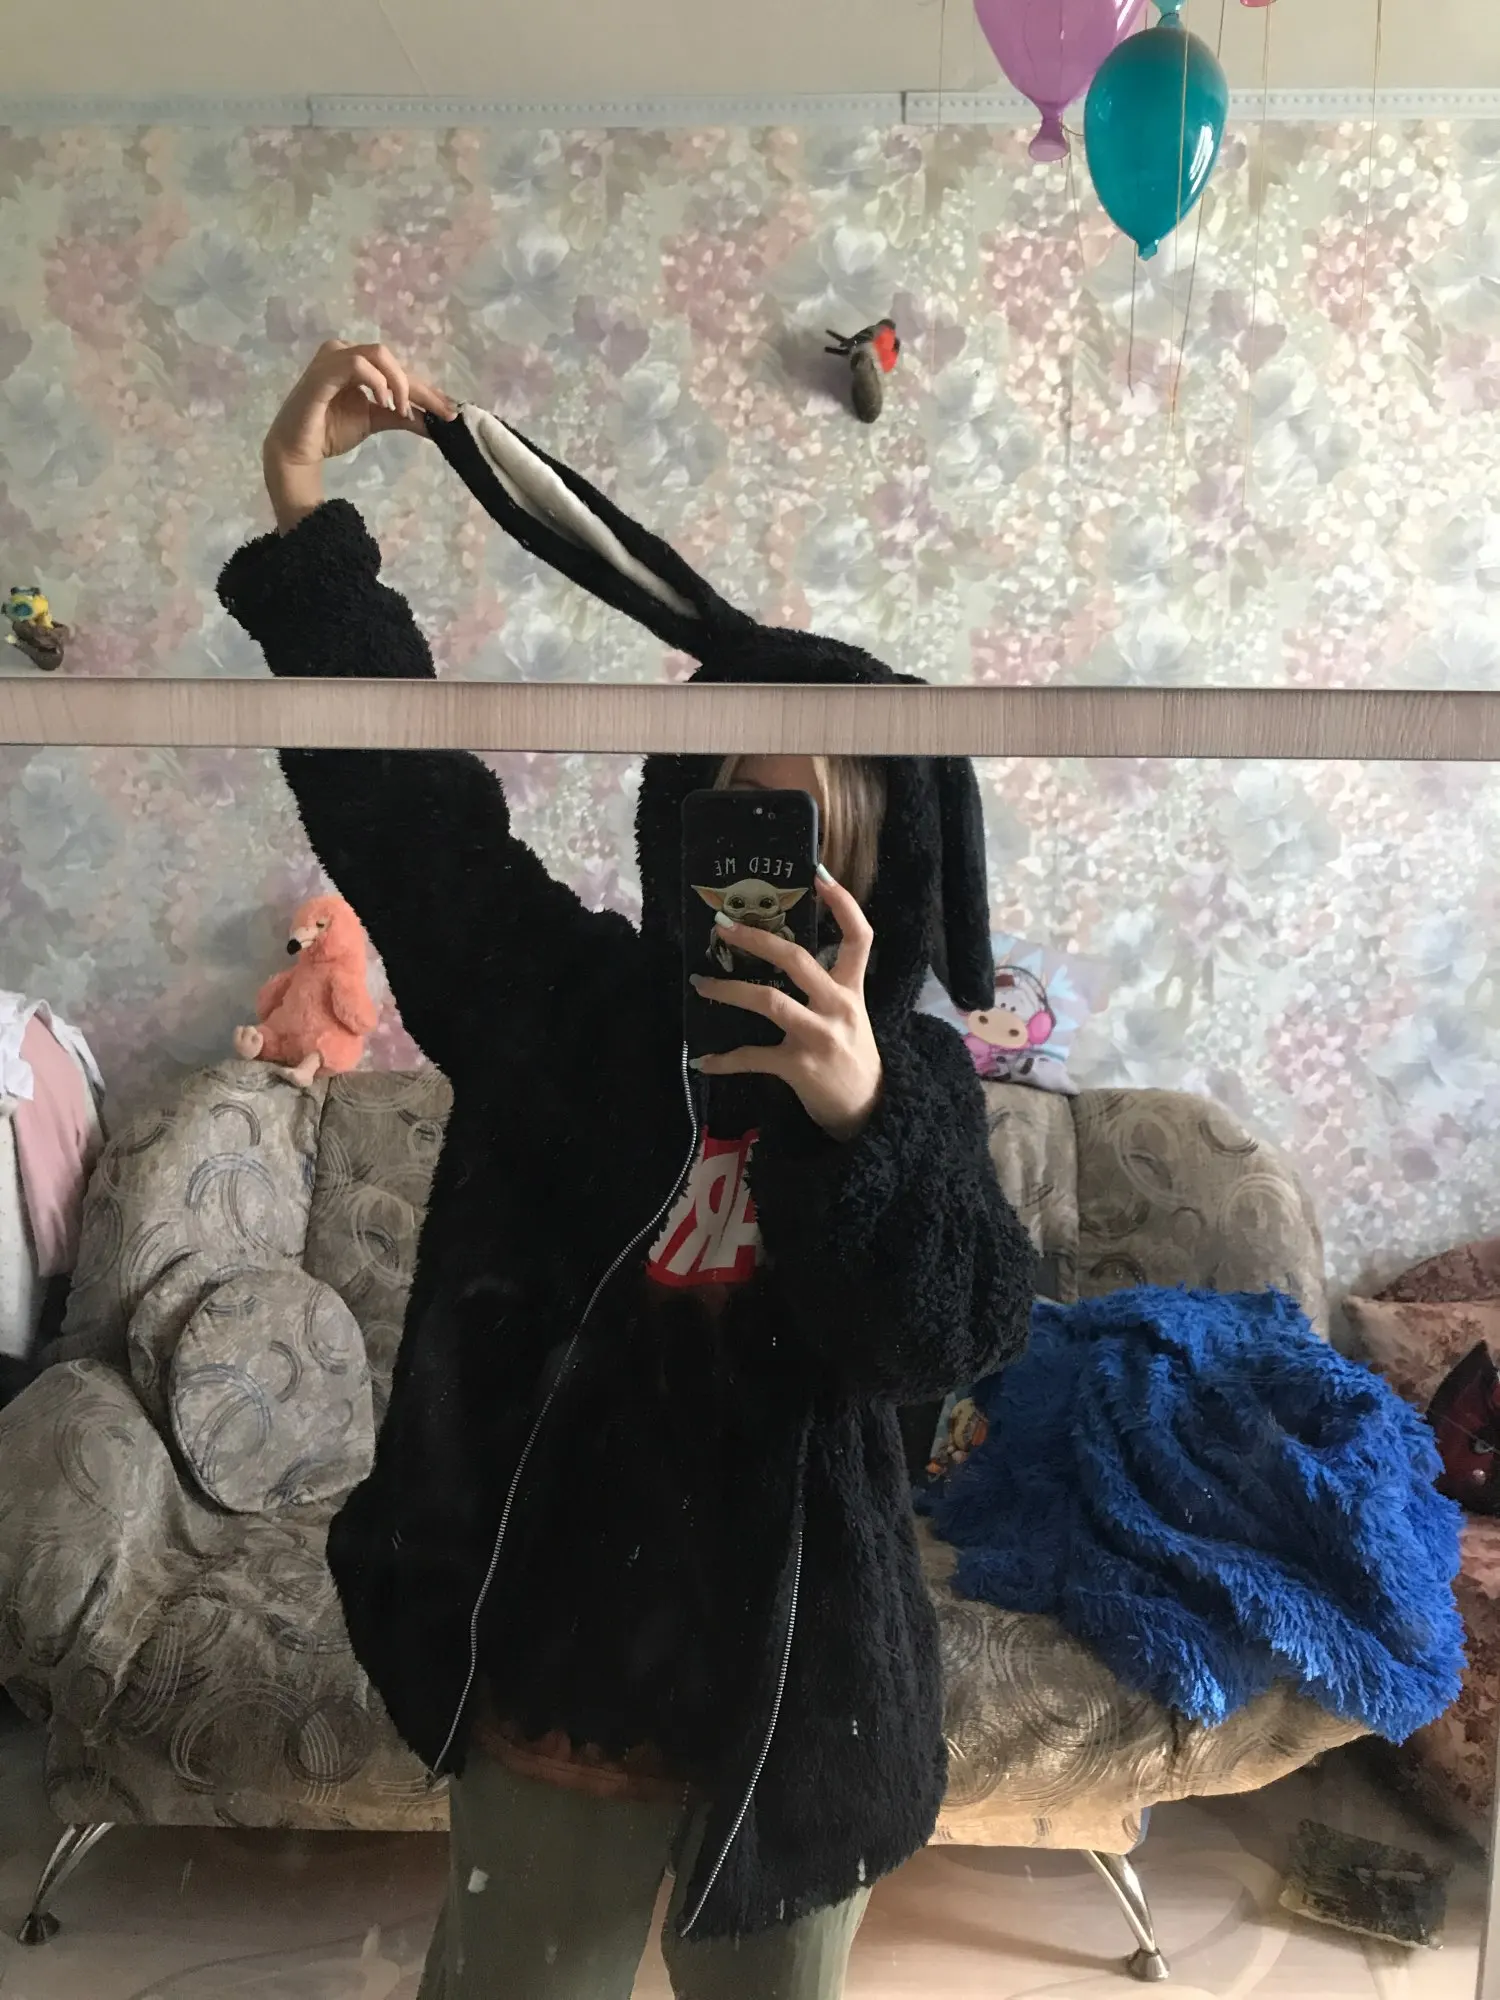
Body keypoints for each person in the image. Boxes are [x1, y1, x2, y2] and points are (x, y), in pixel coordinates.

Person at [218, 340, 1036, 2000]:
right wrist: (302, 513)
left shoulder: (921, 1091)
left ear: (881, 867)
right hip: (561, 1660)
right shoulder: (575, 1015)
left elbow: (947, 1340)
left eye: (812, 836)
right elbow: (418, 833)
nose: (765, 873)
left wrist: (859, 1121)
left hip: (801, 1693)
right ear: (677, 829)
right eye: (735, 822)